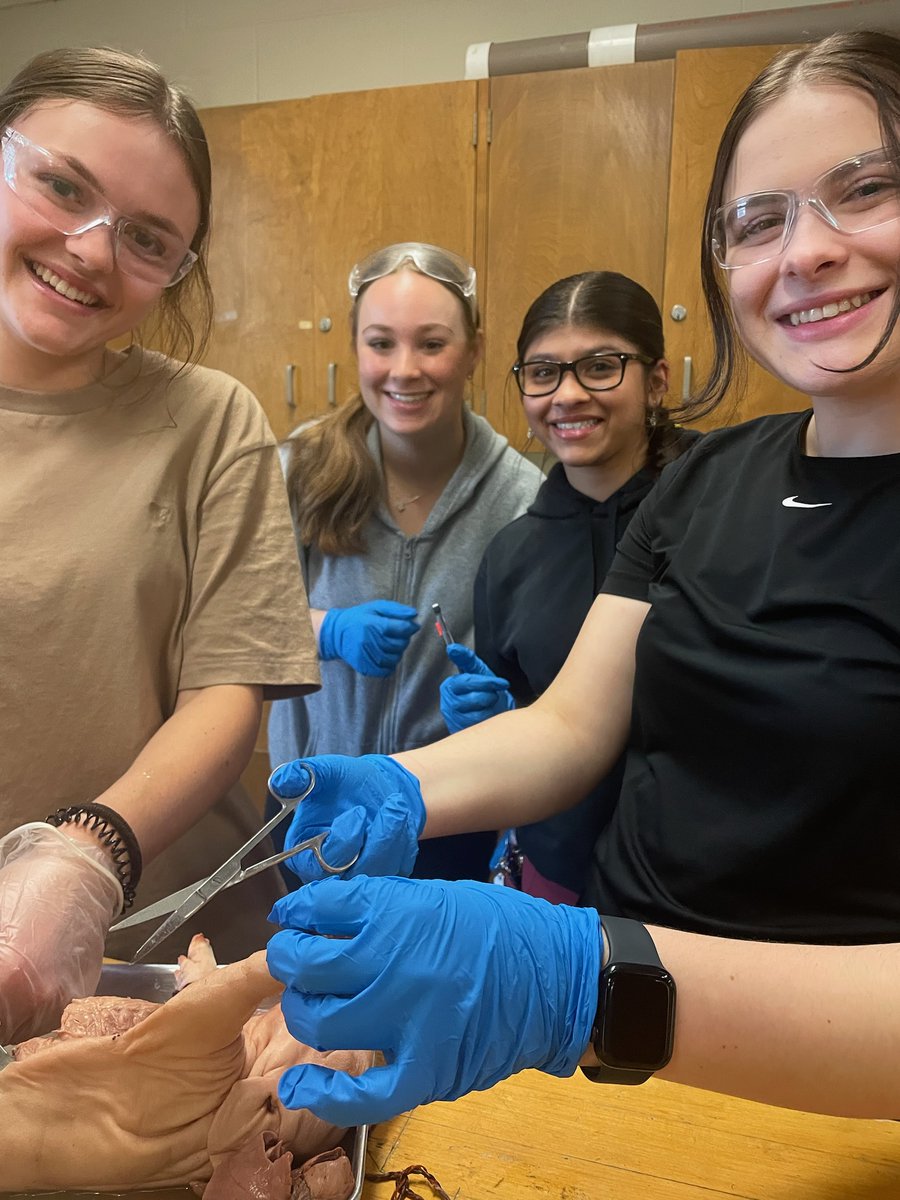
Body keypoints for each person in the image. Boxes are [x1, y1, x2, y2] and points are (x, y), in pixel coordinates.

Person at [264, 29, 900, 1124]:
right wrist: (408, 783)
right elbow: (570, 728)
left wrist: (580, 983)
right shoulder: (708, 482)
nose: (804, 252)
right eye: (760, 220)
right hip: (629, 1045)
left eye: (866, 190)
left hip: (817, 1088)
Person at [0, 47, 319, 1041]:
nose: (92, 252)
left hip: (163, 956)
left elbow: (228, 689)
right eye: (62, 187)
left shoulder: (207, 421)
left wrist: (87, 854)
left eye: (147, 239)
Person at [267, 241, 543, 882]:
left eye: (432, 344)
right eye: (381, 343)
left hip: (445, 817)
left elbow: (555, 689)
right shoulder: (301, 470)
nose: (404, 369)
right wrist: (328, 631)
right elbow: (232, 628)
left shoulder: (524, 501)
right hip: (310, 807)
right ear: (356, 348)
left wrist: (504, 715)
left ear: (474, 351)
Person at [440, 271, 697, 902]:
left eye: (601, 367)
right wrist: (497, 720)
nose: (568, 394)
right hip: (558, 877)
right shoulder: (512, 556)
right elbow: (527, 719)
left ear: (657, 380)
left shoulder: (718, 506)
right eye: (543, 372)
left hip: (701, 880)